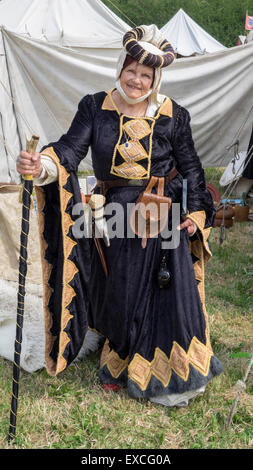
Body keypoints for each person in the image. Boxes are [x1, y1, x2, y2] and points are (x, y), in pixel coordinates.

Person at [16, 25, 223, 407]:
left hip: (162, 211)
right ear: (120, 68)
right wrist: (42, 164)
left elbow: (192, 169)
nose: (137, 80)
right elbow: (68, 150)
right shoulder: (95, 107)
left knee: (166, 291)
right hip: (113, 214)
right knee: (120, 290)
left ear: (155, 78)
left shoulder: (173, 115)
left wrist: (194, 212)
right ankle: (121, 356)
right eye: (132, 71)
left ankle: (167, 368)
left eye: (146, 75)